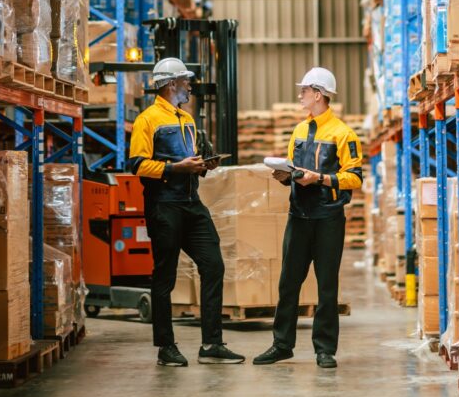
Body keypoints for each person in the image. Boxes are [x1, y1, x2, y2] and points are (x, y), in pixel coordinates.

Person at [129, 57, 245, 367]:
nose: (189, 85)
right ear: (170, 85)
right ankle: (166, 347)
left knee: (213, 265)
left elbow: (189, 162)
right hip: (164, 205)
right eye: (184, 81)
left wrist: (202, 167)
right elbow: (138, 165)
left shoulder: (186, 119)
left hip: (192, 203)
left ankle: (212, 344)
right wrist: (176, 168)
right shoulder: (147, 120)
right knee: (164, 277)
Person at [254, 67, 363, 369]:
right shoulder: (300, 132)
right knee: (289, 283)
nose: (300, 94)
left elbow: (354, 179)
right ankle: (281, 345)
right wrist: (284, 176)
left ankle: (325, 350)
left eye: (304, 90)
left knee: (326, 287)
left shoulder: (343, 134)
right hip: (299, 217)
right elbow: (294, 169)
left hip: (328, 219)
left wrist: (319, 179)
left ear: (318, 94)